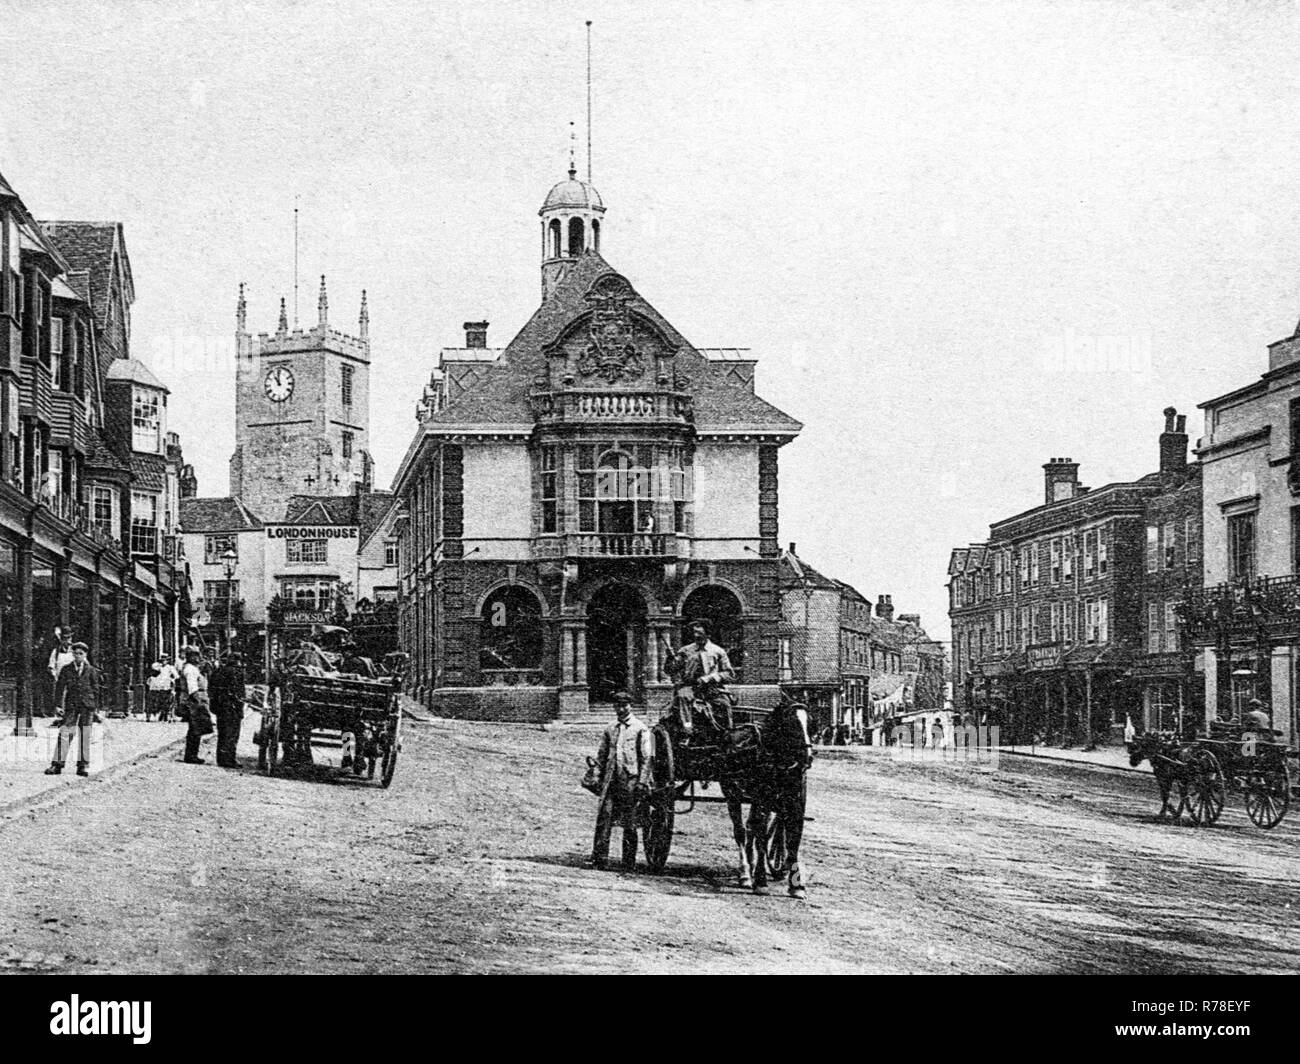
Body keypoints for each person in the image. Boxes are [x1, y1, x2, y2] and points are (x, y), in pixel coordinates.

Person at [591, 691, 653, 872]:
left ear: (630, 706)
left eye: (624, 705)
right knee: (605, 817)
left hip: (631, 781)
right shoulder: (610, 728)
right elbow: (601, 756)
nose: (621, 709)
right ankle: (600, 858)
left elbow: (647, 758)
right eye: (618, 705)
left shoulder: (641, 728)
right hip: (611, 780)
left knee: (630, 822)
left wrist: (642, 781)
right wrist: (596, 774)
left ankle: (628, 861)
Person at [662, 619, 736, 739]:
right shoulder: (685, 651)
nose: (696, 636)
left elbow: (730, 674)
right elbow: (670, 670)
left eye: (699, 633)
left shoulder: (718, 651)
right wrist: (670, 658)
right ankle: (687, 731)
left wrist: (710, 678)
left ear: (708, 634)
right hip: (690, 687)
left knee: (724, 703)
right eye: (694, 633)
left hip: (712, 688)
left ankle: (727, 734)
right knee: (683, 697)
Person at [45, 643, 101, 777]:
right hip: (71, 704)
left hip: (87, 706)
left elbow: (96, 689)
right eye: (75, 653)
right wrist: (58, 705)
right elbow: (60, 688)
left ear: (85, 655)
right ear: (73, 654)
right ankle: (57, 764)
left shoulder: (92, 670)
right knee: (65, 732)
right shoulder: (66, 669)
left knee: (85, 734)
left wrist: (95, 707)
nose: (78, 656)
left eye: (81, 654)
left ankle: (82, 766)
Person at [208, 652, 247, 769]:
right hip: (232, 707)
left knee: (222, 733)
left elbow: (211, 689)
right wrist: (240, 704)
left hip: (220, 707)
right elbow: (239, 692)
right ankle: (230, 759)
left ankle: (221, 759)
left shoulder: (218, 671)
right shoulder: (237, 672)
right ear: (237, 661)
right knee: (232, 734)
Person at [180, 649, 212, 764]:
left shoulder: (192, 668)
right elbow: (192, 688)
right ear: (191, 657)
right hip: (194, 702)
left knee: (195, 729)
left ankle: (192, 754)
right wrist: (199, 703)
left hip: (196, 700)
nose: (198, 658)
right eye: (196, 656)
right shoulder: (190, 669)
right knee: (195, 729)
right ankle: (191, 756)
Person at [42, 630, 75, 719]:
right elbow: (51, 665)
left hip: (73, 679)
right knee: (60, 697)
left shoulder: (75, 651)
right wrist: (54, 674)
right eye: (65, 639)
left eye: (69, 638)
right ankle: (60, 717)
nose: (67, 641)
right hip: (59, 678)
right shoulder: (56, 651)